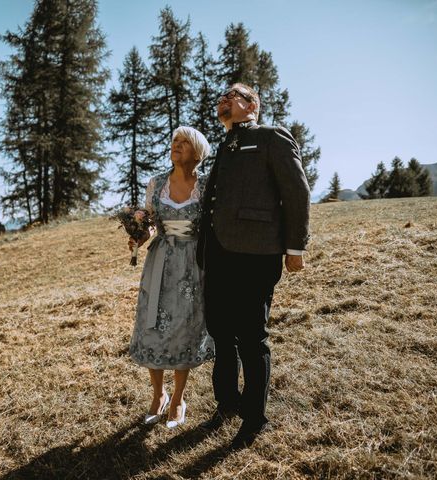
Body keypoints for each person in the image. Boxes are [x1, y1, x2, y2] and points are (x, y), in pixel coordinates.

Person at [197, 83, 310, 449]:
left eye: (232, 95)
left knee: (251, 336)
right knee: (220, 333)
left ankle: (254, 418)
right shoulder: (225, 146)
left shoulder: (271, 137)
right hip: (216, 255)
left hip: (255, 255)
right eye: (222, 97)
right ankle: (226, 402)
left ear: (252, 105)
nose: (223, 99)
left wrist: (295, 248)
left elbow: (297, 191)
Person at [129, 126, 215, 428]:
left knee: (183, 327)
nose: (176, 145)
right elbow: (151, 223)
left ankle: (178, 397)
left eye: (183, 142)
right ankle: (158, 394)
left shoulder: (205, 186)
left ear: (198, 152)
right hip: (160, 261)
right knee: (152, 324)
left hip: (193, 263)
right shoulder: (157, 183)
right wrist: (139, 234)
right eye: (174, 141)